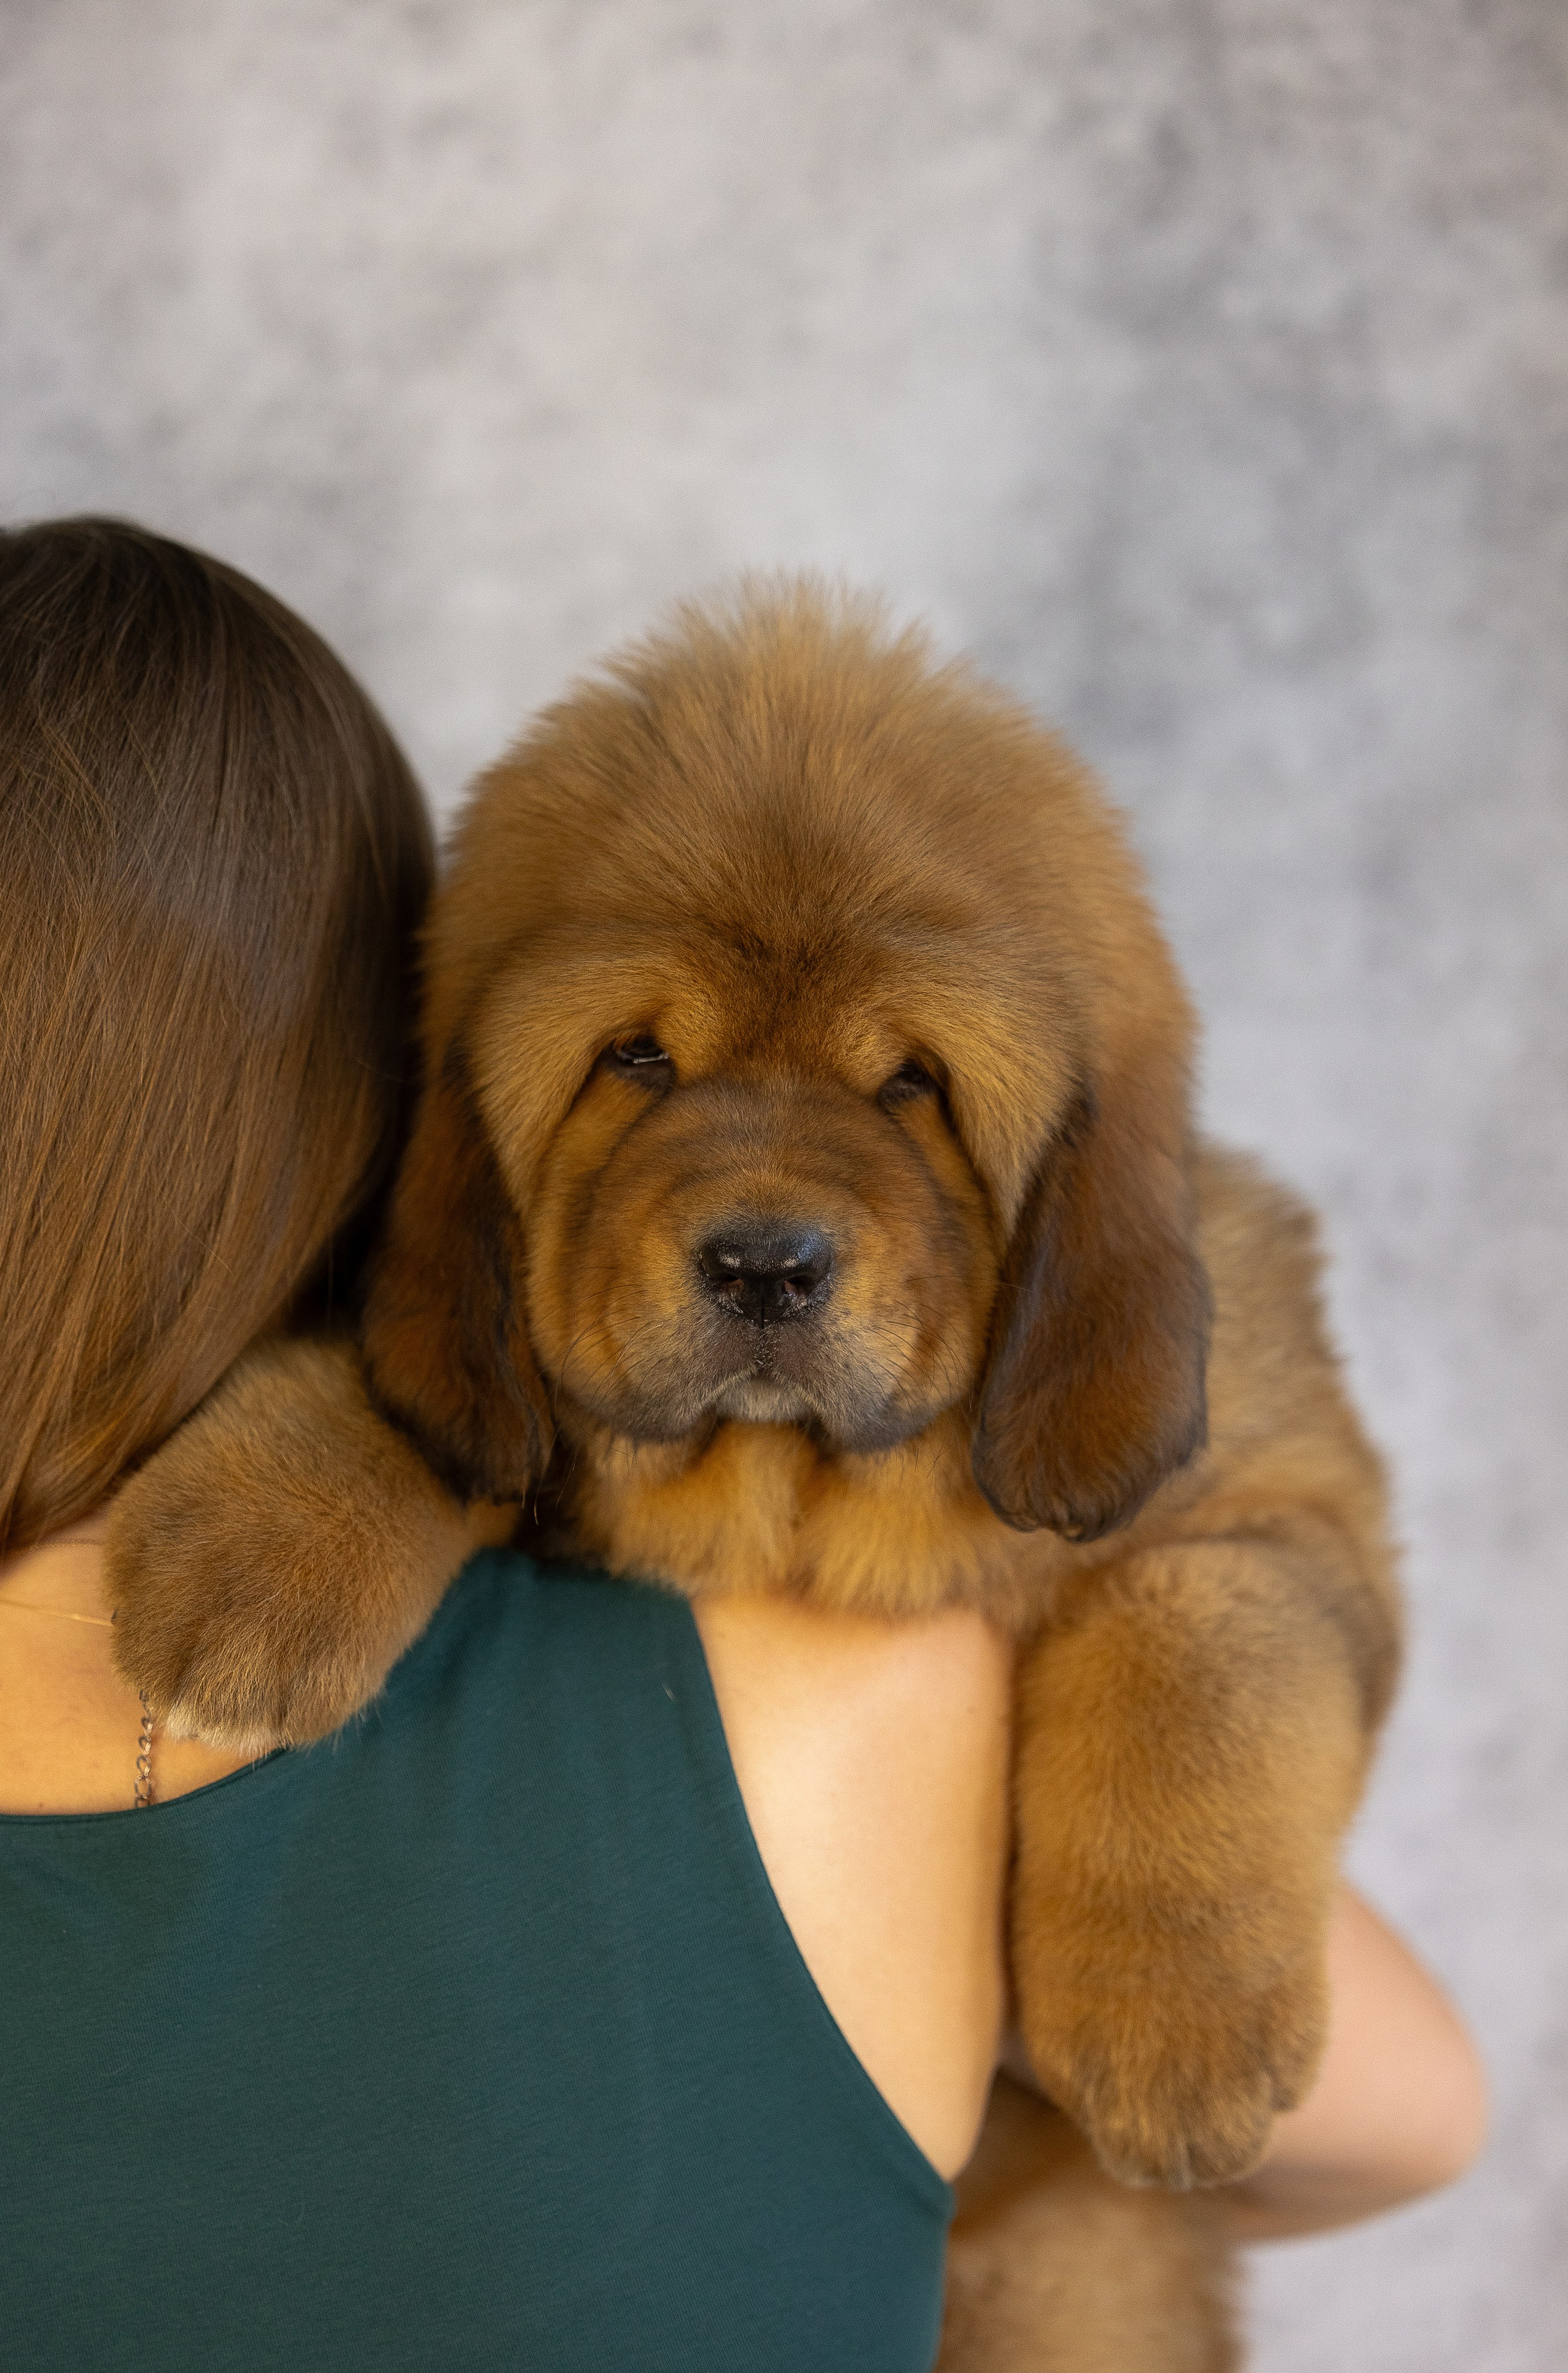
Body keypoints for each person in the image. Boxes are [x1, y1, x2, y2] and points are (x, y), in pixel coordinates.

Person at [0, 518, 1482, 2373]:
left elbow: (1248, 1546)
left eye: (910, 1082)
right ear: (382, 1103)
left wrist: (1169, 1842)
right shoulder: (878, 1718)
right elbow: (1412, 2119)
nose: (770, 1216)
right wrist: (385, 1452)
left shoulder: (1132, 1361)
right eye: (639, 1061)